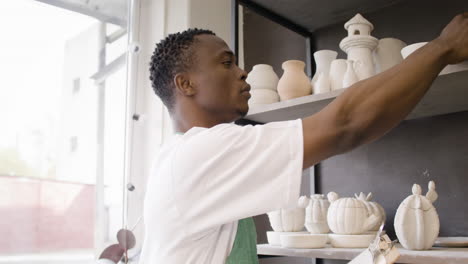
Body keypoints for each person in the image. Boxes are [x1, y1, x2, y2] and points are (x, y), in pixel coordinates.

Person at [138, 13, 468, 264]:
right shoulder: (203, 151)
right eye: (226, 63)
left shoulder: (183, 155)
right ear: (185, 84)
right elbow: (347, 124)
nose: (242, 72)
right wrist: (443, 48)